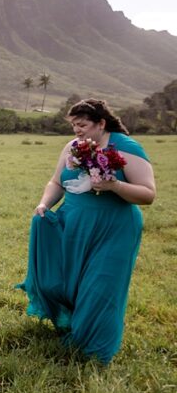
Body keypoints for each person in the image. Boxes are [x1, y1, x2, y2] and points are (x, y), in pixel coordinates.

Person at [18, 98, 155, 364]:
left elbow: (148, 194)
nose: (76, 131)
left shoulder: (127, 149)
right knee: (66, 281)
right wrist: (45, 203)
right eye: (73, 126)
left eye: (82, 125)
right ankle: (72, 323)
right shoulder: (72, 148)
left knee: (100, 287)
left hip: (113, 230)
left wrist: (115, 186)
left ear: (101, 123)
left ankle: (94, 351)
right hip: (74, 226)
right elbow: (57, 181)